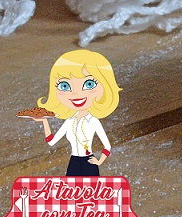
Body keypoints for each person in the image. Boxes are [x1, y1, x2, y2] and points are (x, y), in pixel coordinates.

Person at [24, 49, 121, 177]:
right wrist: (44, 120)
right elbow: (51, 141)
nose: (75, 94)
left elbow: (107, 146)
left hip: (89, 162)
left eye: (89, 84)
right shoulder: (69, 121)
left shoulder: (93, 121)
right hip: (74, 162)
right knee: (71, 195)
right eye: (65, 86)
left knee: (91, 195)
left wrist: (98, 161)